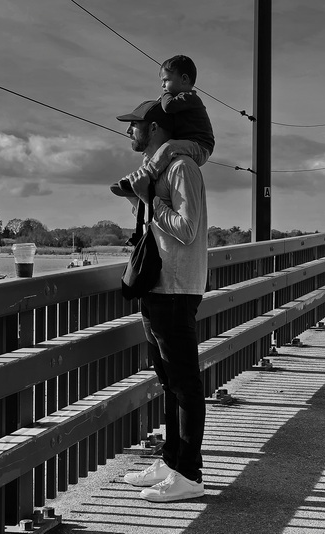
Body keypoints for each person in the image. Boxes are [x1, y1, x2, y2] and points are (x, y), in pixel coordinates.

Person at [116, 99, 209, 503]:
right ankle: (172, 463)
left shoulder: (182, 168)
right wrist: (139, 197)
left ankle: (189, 473)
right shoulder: (158, 171)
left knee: (185, 385)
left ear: (153, 128)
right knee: (168, 382)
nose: (128, 132)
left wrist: (151, 200)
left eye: (133, 125)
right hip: (157, 288)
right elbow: (158, 230)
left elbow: (186, 229)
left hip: (176, 289)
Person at [111, 55, 214, 198]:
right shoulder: (181, 102)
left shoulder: (190, 97)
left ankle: (147, 177)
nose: (163, 85)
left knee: (169, 147)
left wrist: (165, 94)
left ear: (184, 79)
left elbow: (168, 106)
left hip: (201, 146)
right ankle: (137, 179)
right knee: (151, 156)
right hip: (188, 143)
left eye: (166, 80)